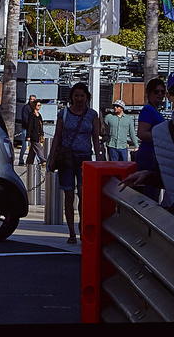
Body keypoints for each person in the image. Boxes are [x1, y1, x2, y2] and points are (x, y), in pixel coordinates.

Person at [122, 68, 174, 222]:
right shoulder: (159, 132)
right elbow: (170, 177)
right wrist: (148, 176)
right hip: (173, 212)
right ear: (169, 96)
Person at [49, 81, 104, 244]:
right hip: (67, 158)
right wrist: (51, 157)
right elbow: (57, 135)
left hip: (85, 157)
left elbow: (95, 137)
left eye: (82, 96)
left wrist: (99, 158)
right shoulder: (64, 113)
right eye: (76, 96)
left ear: (87, 97)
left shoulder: (92, 115)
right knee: (69, 194)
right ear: (72, 97)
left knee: (83, 194)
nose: (79, 99)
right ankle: (71, 232)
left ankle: (82, 227)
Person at [134, 76, 167, 201]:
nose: (159, 94)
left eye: (162, 92)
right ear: (148, 93)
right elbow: (142, 133)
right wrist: (163, 138)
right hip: (148, 155)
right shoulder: (148, 110)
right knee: (149, 195)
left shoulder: (155, 111)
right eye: (156, 91)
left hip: (154, 155)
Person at [23, 96, 45, 165]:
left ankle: (29, 162)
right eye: (38, 105)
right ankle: (43, 159)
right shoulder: (31, 115)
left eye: (40, 105)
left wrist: (42, 134)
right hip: (33, 135)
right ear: (35, 106)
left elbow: (41, 125)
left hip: (38, 134)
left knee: (32, 150)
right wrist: (28, 136)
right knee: (38, 147)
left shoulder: (39, 115)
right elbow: (29, 126)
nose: (39, 106)